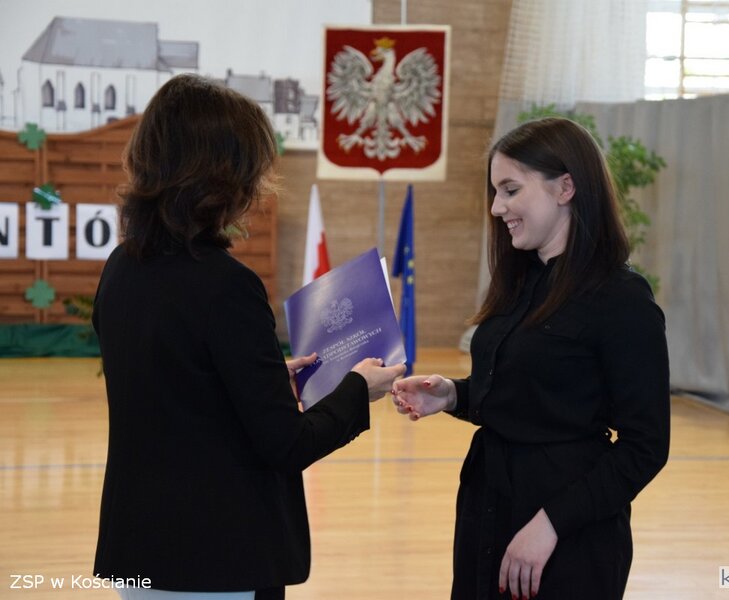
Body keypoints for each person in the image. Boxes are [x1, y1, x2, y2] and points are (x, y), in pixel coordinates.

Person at [91, 74, 406, 600]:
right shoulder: (225, 285)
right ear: (226, 175)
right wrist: (356, 388)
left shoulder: (121, 267)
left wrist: (255, 375)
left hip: (139, 549)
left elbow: (173, 384)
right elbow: (287, 444)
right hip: (217, 558)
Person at [391, 117, 671, 599]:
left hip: (567, 529)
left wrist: (551, 524)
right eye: (495, 192)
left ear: (565, 188)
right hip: (488, 505)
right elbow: (529, 394)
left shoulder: (621, 298)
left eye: (510, 190)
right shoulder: (521, 281)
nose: (496, 207)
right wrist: (454, 395)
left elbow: (645, 447)